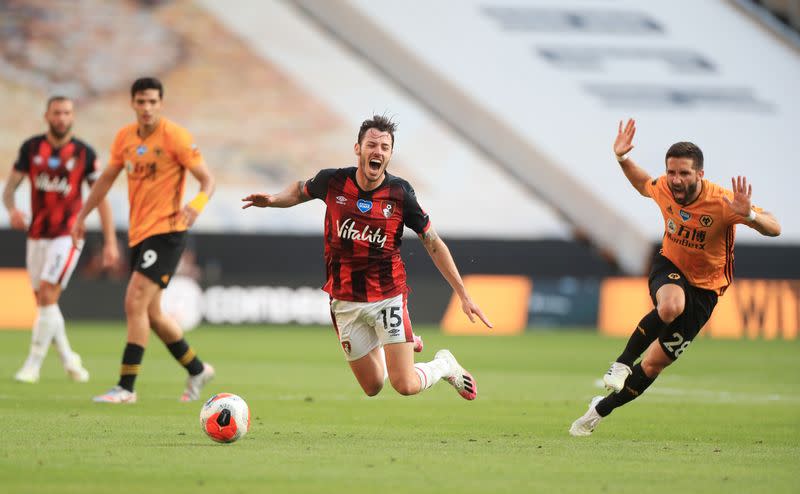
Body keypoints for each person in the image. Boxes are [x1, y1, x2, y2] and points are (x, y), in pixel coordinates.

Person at [242, 115, 493, 400]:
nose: (378, 151)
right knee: (372, 386)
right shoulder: (333, 181)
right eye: (372, 145)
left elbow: (433, 243)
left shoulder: (400, 193)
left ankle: (443, 364)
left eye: (385, 147)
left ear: (390, 154)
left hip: (388, 296)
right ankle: (401, 344)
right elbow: (300, 190)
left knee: (405, 385)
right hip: (344, 300)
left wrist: (463, 294)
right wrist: (273, 199)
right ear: (358, 149)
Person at [570, 119, 781, 436]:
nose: (676, 180)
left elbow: (774, 227)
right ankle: (622, 362)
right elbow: (643, 182)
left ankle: (599, 409)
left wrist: (750, 215)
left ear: (700, 175)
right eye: (671, 172)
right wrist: (622, 158)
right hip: (669, 265)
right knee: (670, 306)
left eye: (684, 173)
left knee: (654, 365)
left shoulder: (723, 203)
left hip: (706, 291)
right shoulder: (664, 189)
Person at [72, 77, 216, 403]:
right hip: (139, 233)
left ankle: (126, 387)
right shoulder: (124, 138)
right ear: (133, 103)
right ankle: (196, 369)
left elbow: (207, 181)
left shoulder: (176, 137)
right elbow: (105, 181)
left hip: (167, 231)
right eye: (141, 102)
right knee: (152, 314)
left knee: (133, 301)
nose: (147, 107)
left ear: (160, 103)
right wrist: (81, 217)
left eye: (153, 101)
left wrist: (196, 205)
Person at [3, 96, 119, 384]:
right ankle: (70, 359)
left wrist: (110, 241)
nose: (62, 118)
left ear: (73, 117)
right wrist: (12, 209)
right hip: (37, 235)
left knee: (45, 296)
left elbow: (101, 198)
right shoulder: (31, 148)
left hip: (68, 235)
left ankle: (33, 365)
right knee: (44, 303)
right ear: (47, 116)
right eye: (57, 113)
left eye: (67, 112)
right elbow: (9, 189)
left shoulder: (84, 153)